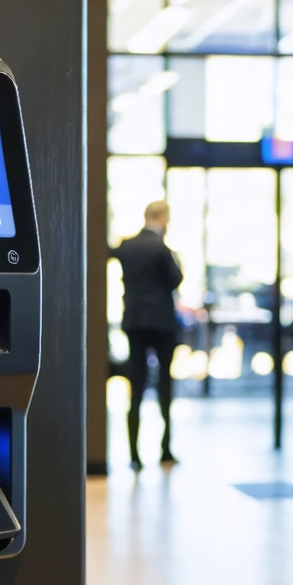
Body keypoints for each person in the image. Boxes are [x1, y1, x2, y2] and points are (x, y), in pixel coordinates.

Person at [112, 201, 183, 470]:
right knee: (164, 385)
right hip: (162, 324)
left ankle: (134, 455)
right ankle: (165, 450)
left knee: (136, 387)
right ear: (163, 217)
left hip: (134, 322)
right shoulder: (162, 248)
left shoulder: (127, 246)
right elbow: (176, 279)